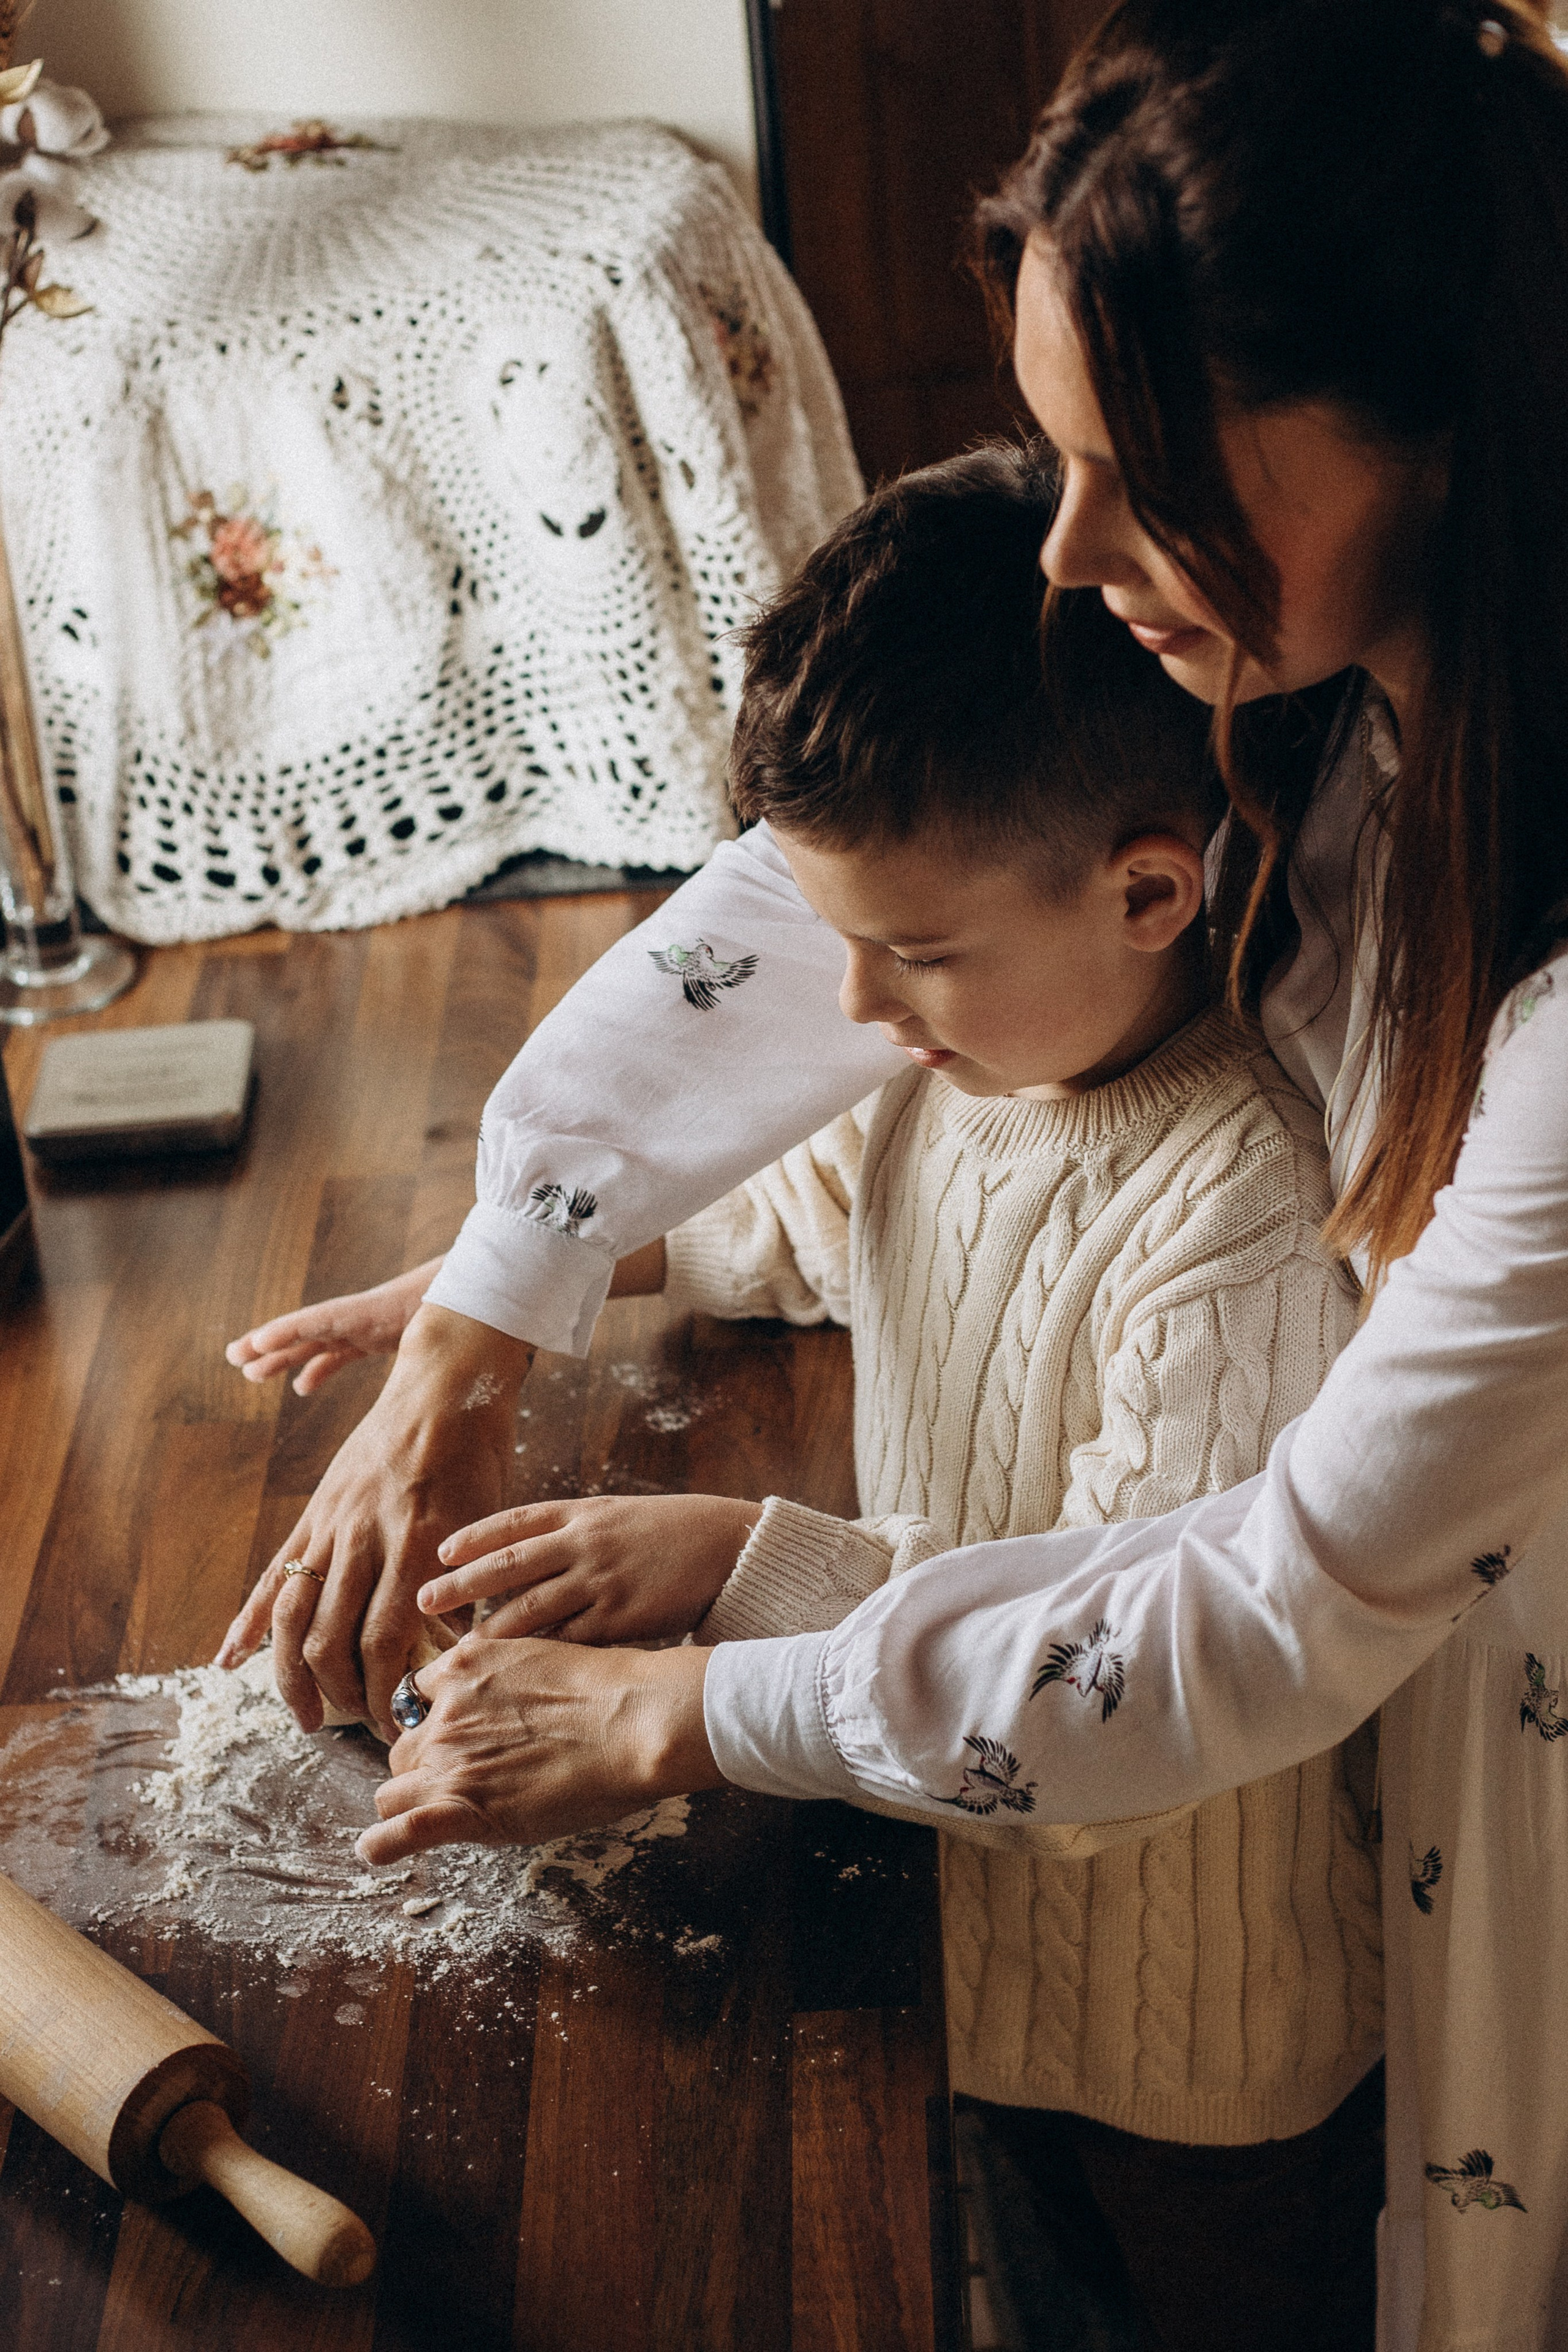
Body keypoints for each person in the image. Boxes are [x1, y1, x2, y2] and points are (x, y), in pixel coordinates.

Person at [221, 6, 1568, 2346]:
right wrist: (501, 1279)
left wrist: (695, 1698)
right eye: (1060, 453)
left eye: (1143, 472)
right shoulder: (1323, 655)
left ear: (1445, 425)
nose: (1073, 545)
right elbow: (849, 892)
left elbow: (1261, 1613)